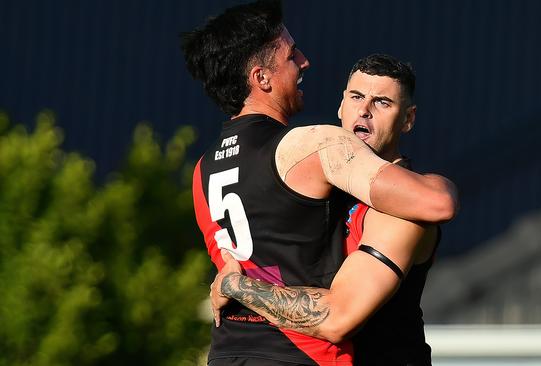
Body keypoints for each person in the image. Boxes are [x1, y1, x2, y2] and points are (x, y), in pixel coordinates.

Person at [181, 1, 456, 365]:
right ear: (262, 78)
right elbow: (437, 202)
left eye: (383, 102)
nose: (305, 62)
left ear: (408, 119)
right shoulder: (312, 146)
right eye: (292, 54)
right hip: (299, 356)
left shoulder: (203, 171)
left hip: (227, 354)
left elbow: (237, 269)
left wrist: (236, 285)